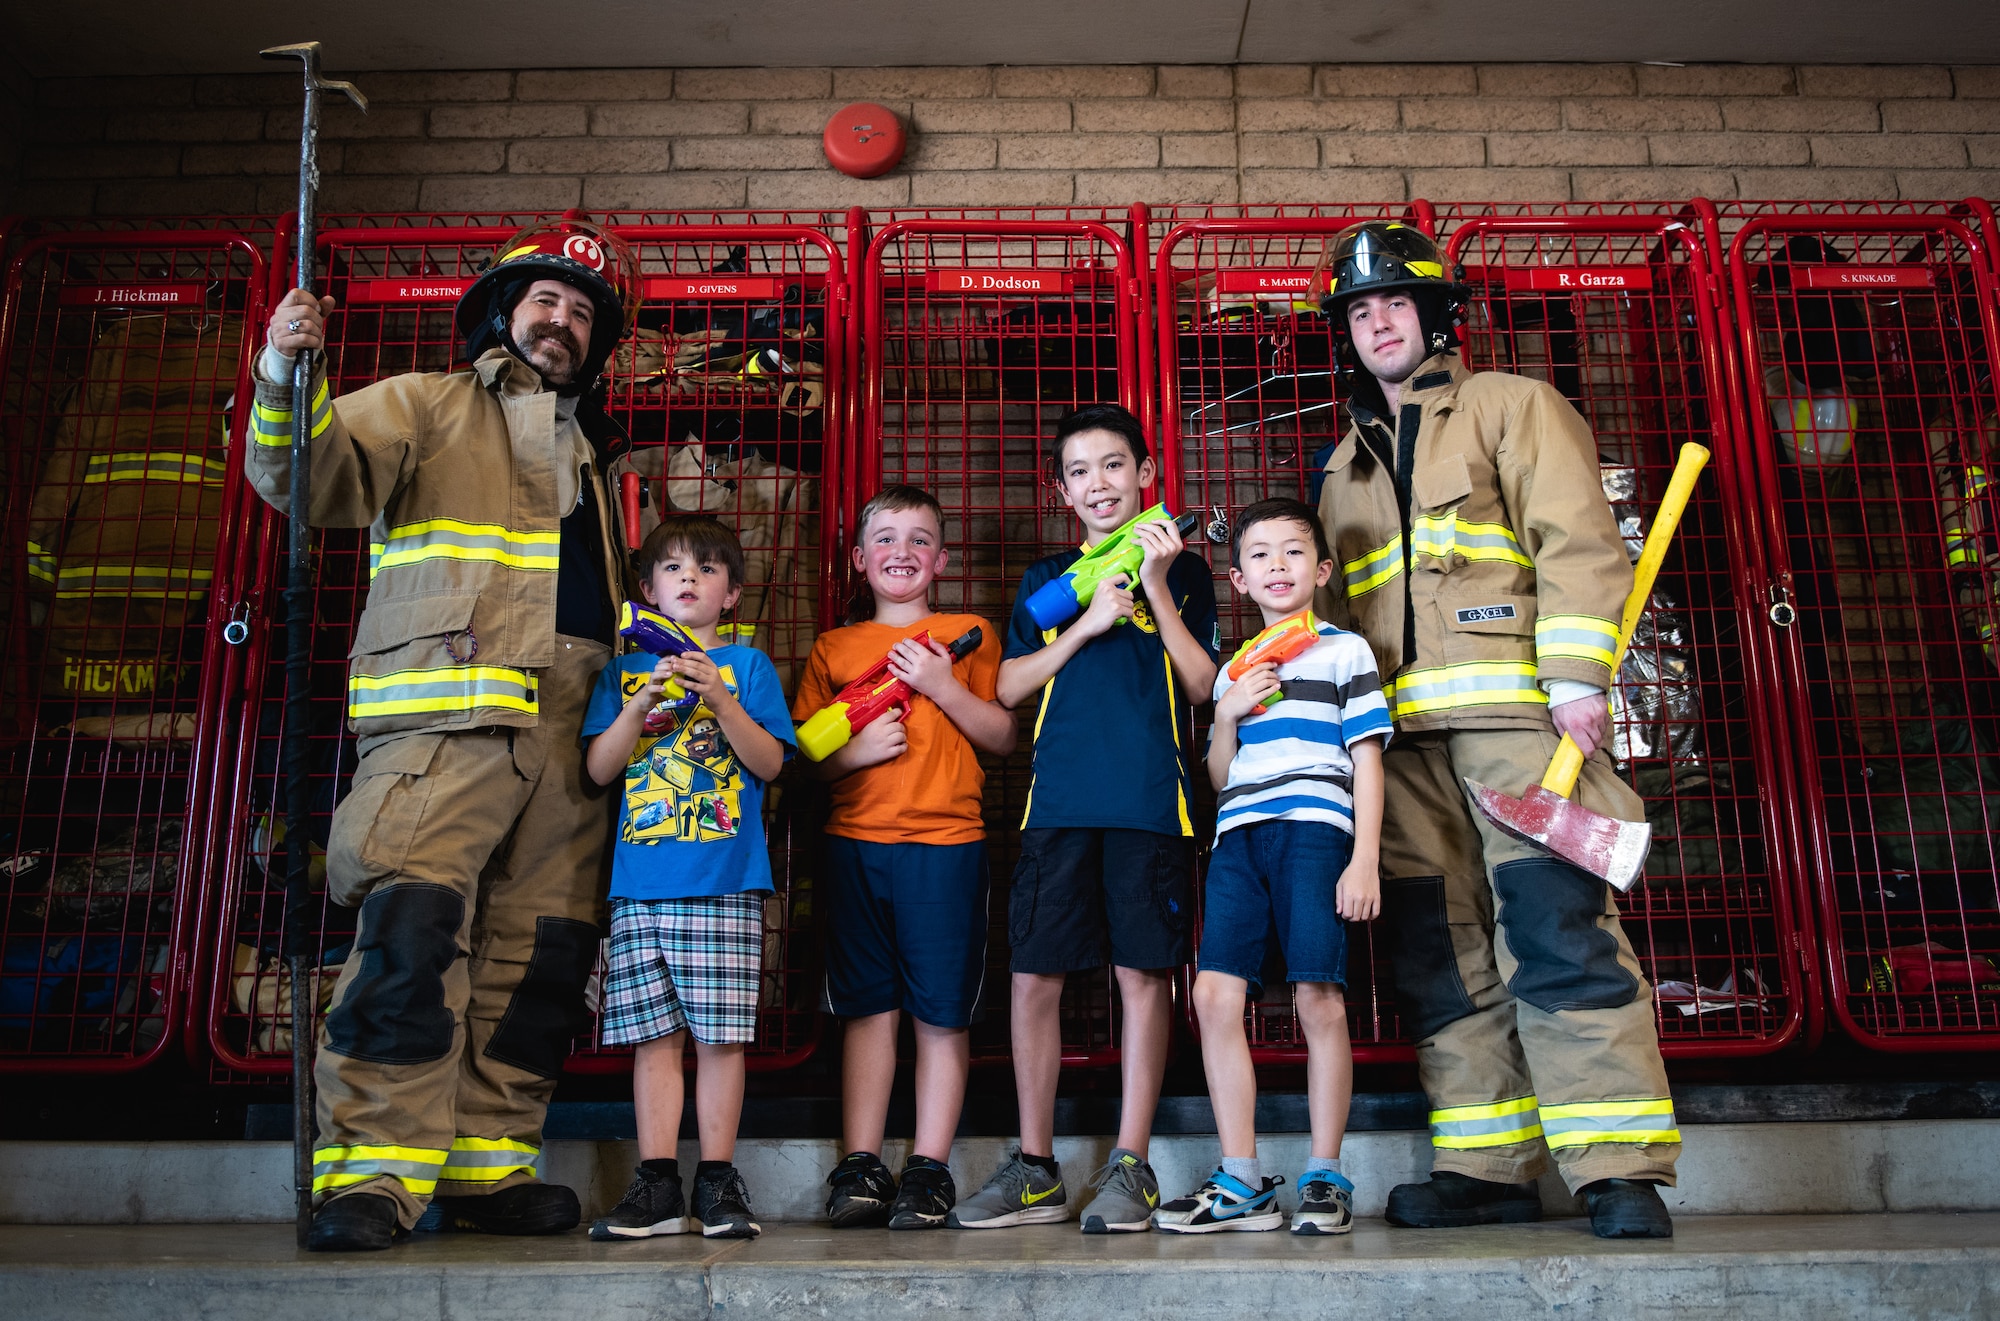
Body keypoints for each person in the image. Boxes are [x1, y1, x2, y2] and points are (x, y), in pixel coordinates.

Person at [247, 218, 640, 1252]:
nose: (562, 322)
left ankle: (484, 1165)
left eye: (582, 313)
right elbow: (308, 481)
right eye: (546, 301)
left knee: (539, 960)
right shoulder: (425, 402)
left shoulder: (591, 455)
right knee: (412, 943)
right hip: (444, 725)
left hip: (569, 744)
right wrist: (286, 371)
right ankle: (373, 1174)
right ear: (502, 313)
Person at [1313, 221, 1680, 1239]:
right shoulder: (1342, 465)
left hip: (1516, 720)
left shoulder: (1514, 406)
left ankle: (1614, 1167)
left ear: (1435, 314)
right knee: (1440, 952)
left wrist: (1574, 680)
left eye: (1392, 301)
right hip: (1399, 745)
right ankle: (1485, 1163)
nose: (1374, 320)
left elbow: (1575, 542)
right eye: (1355, 309)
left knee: (1555, 930)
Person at [954, 403, 1219, 1234]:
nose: (1098, 483)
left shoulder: (1188, 570)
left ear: (1146, 475)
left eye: (1114, 465)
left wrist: (1151, 590)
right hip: (1057, 806)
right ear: (1062, 490)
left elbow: (1204, 685)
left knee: (1143, 976)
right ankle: (1036, 1169)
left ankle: (1130, 1166)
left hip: (1151, 805)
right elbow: (1006, 687)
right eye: (1079, 471)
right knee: (1033, 977)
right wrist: (1088, 622)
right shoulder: (1044, 580)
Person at [1156, 499, 1389, 1236]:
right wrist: (1225, 713)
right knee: (1215, 999)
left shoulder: (1344, 650)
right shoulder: (1233, 670)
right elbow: (1221, 777)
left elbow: (1367, 761)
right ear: (1240, 579)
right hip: (1239, 838)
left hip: (1317, 833)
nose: (1277, 566)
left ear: (1321, 571)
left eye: (1293, 553)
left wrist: (1365, 861)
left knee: (1319, 999)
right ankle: (1242, 1179)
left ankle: (1324, 1174)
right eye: (1261, 556)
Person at [795, 485, 1015, 1231]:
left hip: (946, 848)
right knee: (866, 1010)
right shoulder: (833, 647)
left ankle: (928, 1167)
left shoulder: (969, 633)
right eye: (885, 538)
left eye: (920, 539)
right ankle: (860, 1163)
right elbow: (805, 755)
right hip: (855, 845)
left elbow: (1001, 736)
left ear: (942, 560)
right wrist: (853, 750)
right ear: (859, 559)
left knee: (941, 1015)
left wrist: (940, 686)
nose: (902, 552)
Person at [582, 515, 795, 1241]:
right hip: (640, 886)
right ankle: (655, 1183)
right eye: (672, 569)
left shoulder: (749, 666)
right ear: (647, 590)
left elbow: (769, 764)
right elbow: (600, 769)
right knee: (653, 1040)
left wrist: (720, 696)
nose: (689, 579)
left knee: (721, 1039)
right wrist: (641, 702)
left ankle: (717, 1178)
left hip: (725, 881)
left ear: (731, 594)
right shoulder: (621, 672)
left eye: (707, 569)